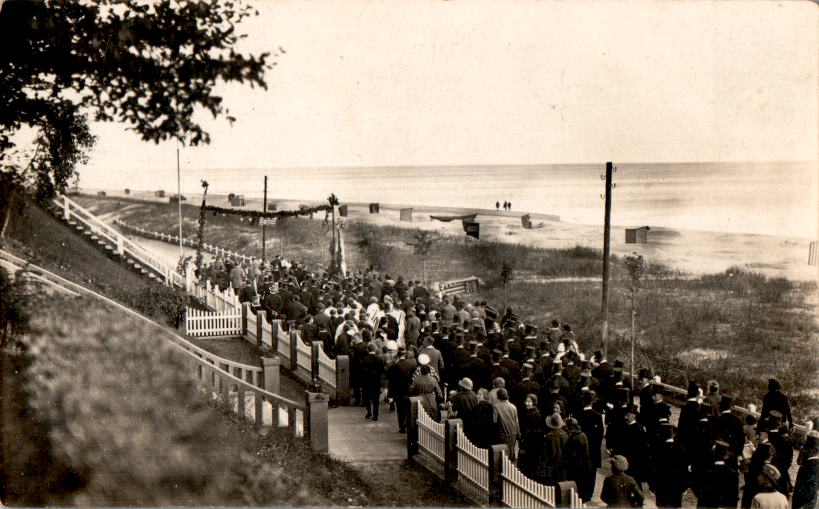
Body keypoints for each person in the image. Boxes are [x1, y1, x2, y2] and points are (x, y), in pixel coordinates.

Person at [386, 346, 417, 433]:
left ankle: (401, 426)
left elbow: (391, 382)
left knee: (400, 410)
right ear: (405, 354)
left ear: (398, 355)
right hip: (408, 390)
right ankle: (407, 424)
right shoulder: (411, 365)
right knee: (408, 408)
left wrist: (390, 395)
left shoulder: (393, 367)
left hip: (398, 391)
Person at [565, 417, 594, 502]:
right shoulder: (582, 434)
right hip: (584, 464)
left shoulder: (574, 437)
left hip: (578, 465)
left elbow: (572, 453)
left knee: (578, 485)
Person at [792, 432, 819, 509]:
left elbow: (798, 462)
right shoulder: (816, 450)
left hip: (803, 473)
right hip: (811, 493)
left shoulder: (804, 449)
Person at [540, 412, 568, 485]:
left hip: (551, 467)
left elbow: (545, 454)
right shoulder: (566, 435)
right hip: (563, 467)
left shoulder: (549, 437)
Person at [492, 388, 519, 461]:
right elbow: (516, 421)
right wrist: (518, 433)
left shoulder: (496, 406)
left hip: (503, 432)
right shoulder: (513, 407)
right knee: (512, 451)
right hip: (513, 432)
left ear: (498, 397)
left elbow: (494, 421)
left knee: (504, 452)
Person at [360, 343, 385, 421]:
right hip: (376, 381)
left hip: (367, 381)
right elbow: (382, 371)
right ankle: (375, 414)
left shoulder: (364, 359)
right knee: (375, 398)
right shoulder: (380, 359)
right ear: (375, 349)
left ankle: (369, 411)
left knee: (367, 397)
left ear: (368, 350)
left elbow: (362, 372)